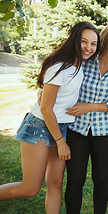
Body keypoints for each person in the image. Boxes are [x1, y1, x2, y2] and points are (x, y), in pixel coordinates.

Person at [0, 22, 100, 213]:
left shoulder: (79, 65)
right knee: (30, 188)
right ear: (74, 41)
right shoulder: (59, 67)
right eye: (84, 42)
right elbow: (46, 108)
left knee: (55, 183)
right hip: (40, 126)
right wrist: (61, 142)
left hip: (60, 127)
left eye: (93, 44)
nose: (89, 47)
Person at [64, 22, 108, 214]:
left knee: (101, 180)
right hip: (76, 130)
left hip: (105, 133)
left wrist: (89, 107)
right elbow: (64, 80)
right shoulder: (85, 60)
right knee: (75, 180)